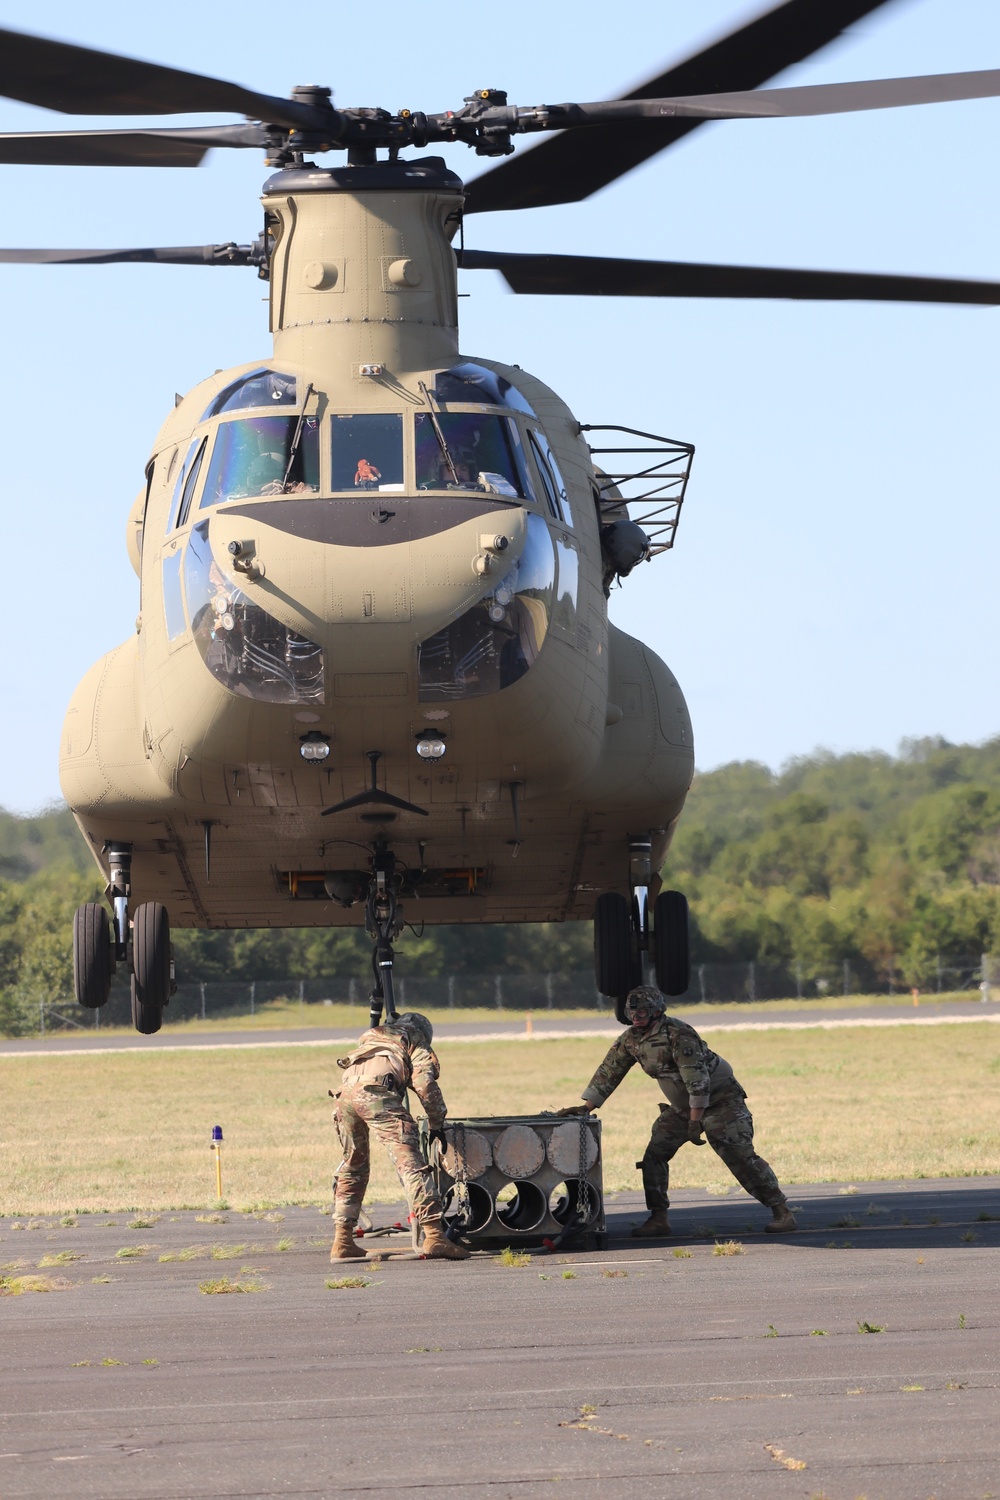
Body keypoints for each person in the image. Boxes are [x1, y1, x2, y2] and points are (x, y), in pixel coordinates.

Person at [557, 985, 796, 1237]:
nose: (637, 1017)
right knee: (654, 1156)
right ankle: (659, 1218)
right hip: (683, 1108)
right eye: (633, 1012)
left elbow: (698, 1081)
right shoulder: (631, 1040)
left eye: (643, 1012)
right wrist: (587, 1106)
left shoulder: (678, 1034)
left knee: (738, 1154)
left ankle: (782, 1212)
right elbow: (609, 1071)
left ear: (658, 1011)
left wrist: (695, 1122)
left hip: (720, 1102)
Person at [329, 1011, 470, 1261]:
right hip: (376, 1093)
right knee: (412, 1165)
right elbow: (425, 1084)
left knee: (354, 1165)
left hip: (345, 1094)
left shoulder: (374, 1037)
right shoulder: (415, 1040)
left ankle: (342, 1241)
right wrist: (437, 1122)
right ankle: (434, 1236)